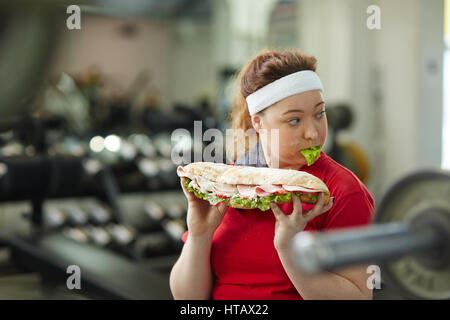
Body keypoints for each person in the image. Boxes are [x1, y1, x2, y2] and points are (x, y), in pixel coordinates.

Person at [169, 49, 375, 300]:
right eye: (295, 120)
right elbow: (186, 299)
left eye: (320, 113)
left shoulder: (340, 192)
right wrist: (199, 235)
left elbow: (359, 297)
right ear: (258, 123)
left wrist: (289, 250)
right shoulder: (230, 186)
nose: (313, 133)